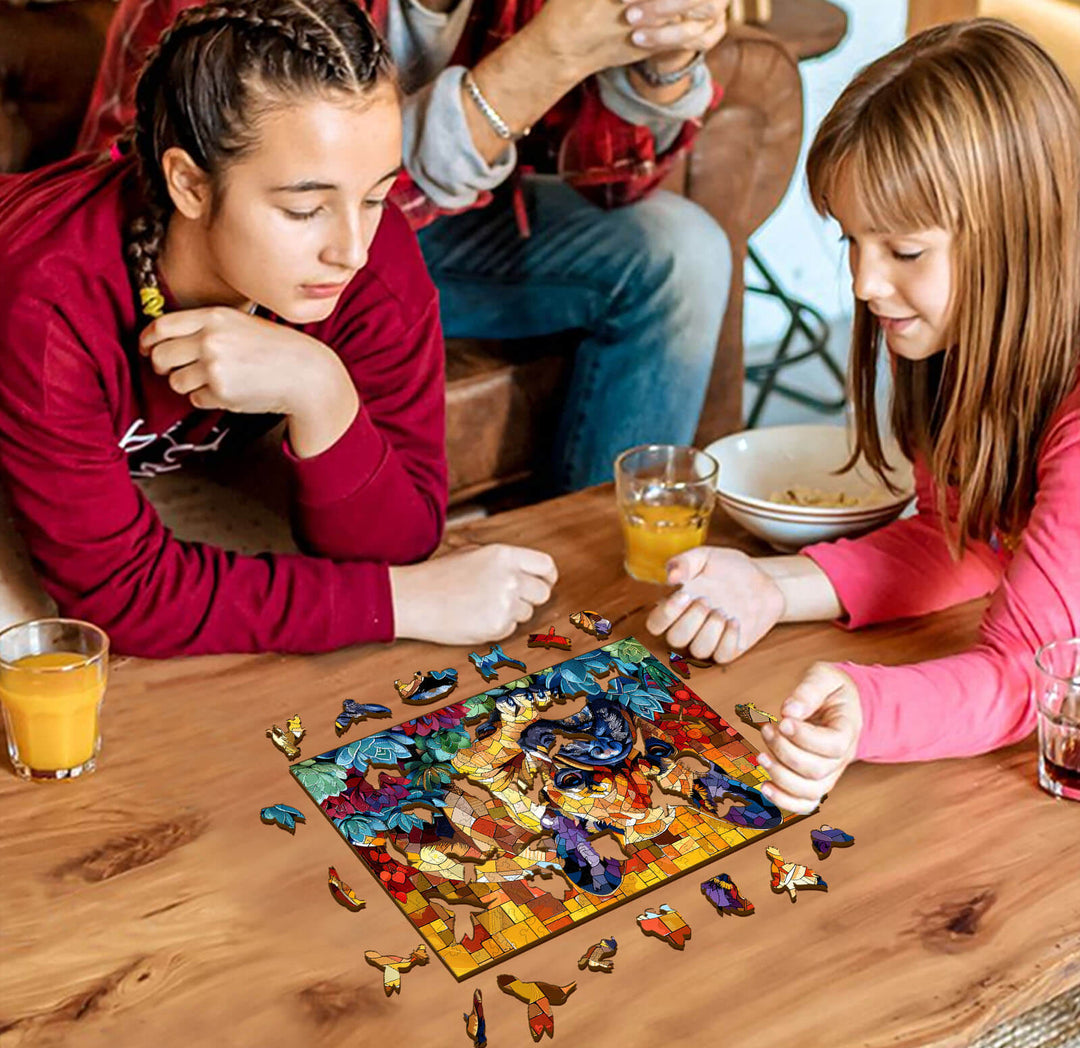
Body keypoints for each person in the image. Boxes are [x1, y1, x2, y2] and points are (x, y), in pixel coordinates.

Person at [0, 0, 556, 655]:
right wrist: (402, 602)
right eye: (305, 209)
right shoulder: (49, 299)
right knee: (33, 648)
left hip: (100, 449)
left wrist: (321, 390)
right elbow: (123, 598)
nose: (351, 248)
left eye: (375, 196)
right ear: (189, 185)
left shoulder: (371, 254)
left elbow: (403, 538)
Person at [646, 18, 1080, 813]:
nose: (862, 283)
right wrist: (772, 587)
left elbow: (1033, 673)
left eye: (904, 252)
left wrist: (868, 709)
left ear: (1023, 236)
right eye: (852, 240)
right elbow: (966, 537)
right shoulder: (963, 346)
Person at [77, 0, 734, 492]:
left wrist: (660, 63)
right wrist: (544, 59)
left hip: (433, 223)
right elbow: (160, 206)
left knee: (680, 251)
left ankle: (604, 566)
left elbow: (617, 187)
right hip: (230, 247)